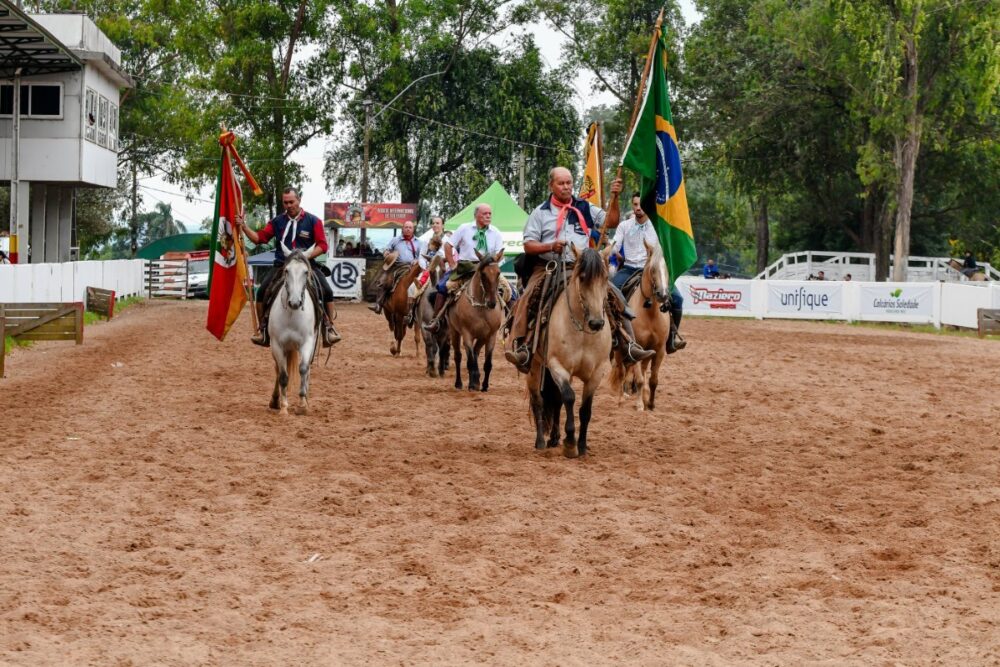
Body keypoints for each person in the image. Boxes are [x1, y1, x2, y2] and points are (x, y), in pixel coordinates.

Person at [503, 166, 655, 372]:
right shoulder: (540, 213)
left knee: (614, 295)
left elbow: (611, 221)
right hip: (548, 267)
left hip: (582, 266)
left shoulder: (585, 207)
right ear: (551, 185)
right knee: (529, 296)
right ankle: (524, 347)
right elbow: (528, 245)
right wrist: (550, 246)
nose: (566, 187)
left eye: (569, 183)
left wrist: (615, 198)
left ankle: (629, 344)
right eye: (561, 183)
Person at [237, 187, 341, 347]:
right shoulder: (277, 222)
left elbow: (322, 245)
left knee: (327, 291)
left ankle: (328, 330)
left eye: (291, 202)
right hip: (282, 266)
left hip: (307, 266)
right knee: (261, 292)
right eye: (285, 203)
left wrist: (306, 256)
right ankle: (263, 331)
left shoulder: (314, 221)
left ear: (299, 200)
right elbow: (259, 238)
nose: (289, 205)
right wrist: (243, 226)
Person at [609, 192, 686, 354]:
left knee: (678, 299)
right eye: (635, 204)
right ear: (632, 206)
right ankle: (613, 335)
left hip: (653, 269)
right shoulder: (624, 226)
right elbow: (615, 246)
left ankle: (672, 336)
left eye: (641, 204)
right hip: (629, 268)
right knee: (610, 294)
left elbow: (666, 249)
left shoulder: (658, 226)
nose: (638, 208)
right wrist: (607, 249)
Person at [423, 204, 505, 333]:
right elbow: (448, 246)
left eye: (490, 213)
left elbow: (500, 253)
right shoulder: (464, 228)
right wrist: (452, 264)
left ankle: (511, 320)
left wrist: (493, 265)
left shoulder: (496, 232)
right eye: (485, 214)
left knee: (510, 291)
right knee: (443, 286)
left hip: (488, 268)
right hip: (466, 267)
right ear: (476, 215)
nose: (488, 216)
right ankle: (436, 321)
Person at [369, 220, 425, 314]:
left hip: (413, 267)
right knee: (383, 281)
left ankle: (420, 307)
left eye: (410, 227)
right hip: (397, 266)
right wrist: (386, 253)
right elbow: (387, 249)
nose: (408, 229)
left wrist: (417, 260)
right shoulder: (395, 240)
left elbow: (422, 256)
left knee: (423, 282)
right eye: (406, 227)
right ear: (402, 229)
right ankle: (379, 304)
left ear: (413, 229)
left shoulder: (419, 242)